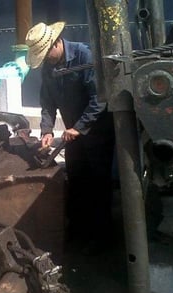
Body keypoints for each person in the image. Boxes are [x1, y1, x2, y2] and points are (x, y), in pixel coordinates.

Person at [25, 21, 115, 254]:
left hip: (97, 132)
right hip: (73, 135)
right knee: (76, 179)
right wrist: (46, 130)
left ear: (56, 43)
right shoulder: (49, 65)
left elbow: (100, 99)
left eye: (46, 55)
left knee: (98, 183)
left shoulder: (84, 56)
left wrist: (79, 127)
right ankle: (77, 229)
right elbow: (47, 102)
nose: (46, 60)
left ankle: (102, 237)